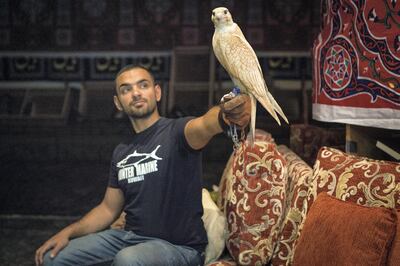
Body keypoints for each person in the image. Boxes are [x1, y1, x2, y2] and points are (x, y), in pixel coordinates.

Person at [35, 65, 251, 266]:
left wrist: (226, 114)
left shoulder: (178, 132)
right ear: (118, 102)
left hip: (179, 247)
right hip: (128, 238)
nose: (136, 93)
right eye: (126, 89)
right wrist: (68, 232)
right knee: (51, 258)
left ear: (157, 93)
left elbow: (206, 123)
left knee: (128, 260)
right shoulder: (122, 151)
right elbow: (108, 209)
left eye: (143, 85)